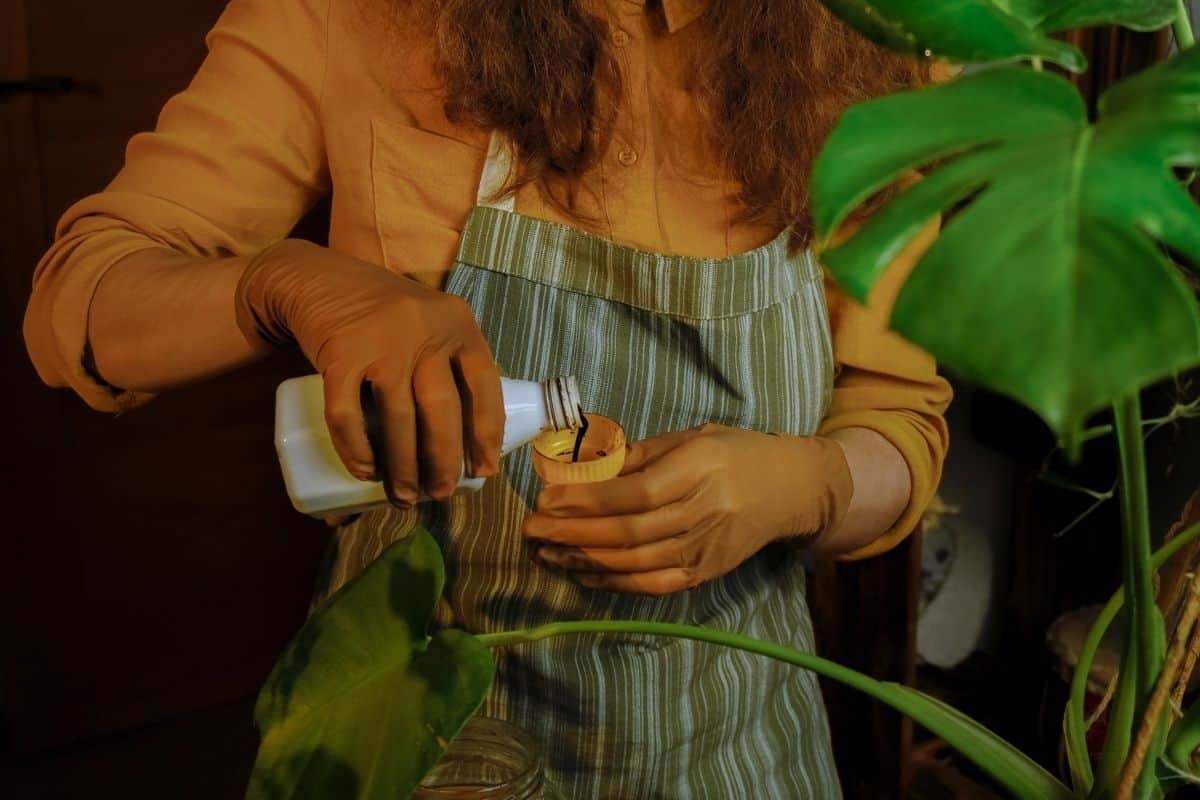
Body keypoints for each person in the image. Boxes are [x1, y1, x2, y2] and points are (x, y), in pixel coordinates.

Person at [23, 1, 951, 796]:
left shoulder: (869, 43)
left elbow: (897, 419)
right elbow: (82, 302)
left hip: (744, 744)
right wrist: (286, 285)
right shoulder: (354, 18)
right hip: (432, 741)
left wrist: (813, 484)